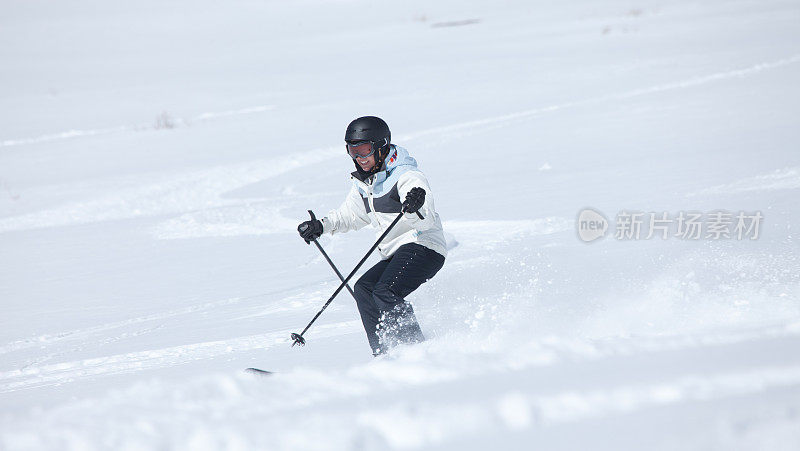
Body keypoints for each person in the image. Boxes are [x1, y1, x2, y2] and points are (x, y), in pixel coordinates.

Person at [297, 116, 447, 355]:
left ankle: (418, 352)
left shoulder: (407, 176)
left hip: (424, 246)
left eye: (365, 150)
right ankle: (385, 353)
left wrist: (415, 205)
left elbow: (426, 218)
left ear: (381, 146)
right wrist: (321, 226)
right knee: (364, 288)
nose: (360, 158)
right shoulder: (366, 183)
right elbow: (350, 215)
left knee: (385, 291)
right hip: (396, 252)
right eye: (352, 151)